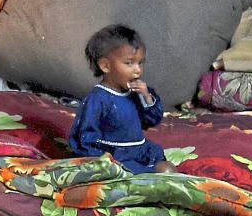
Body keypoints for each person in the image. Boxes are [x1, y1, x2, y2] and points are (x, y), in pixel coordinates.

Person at [68, 24, 174, 174]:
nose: (138, 70)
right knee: (164, 172)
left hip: (139, 152)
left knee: (167, 167)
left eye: (140, 63)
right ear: (106, 66)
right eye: (129, 63)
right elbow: (85, 138)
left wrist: (147, 98)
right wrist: (105, 162)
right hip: (116, 157)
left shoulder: (136, 94)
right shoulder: (98, 99)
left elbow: (151, 121)